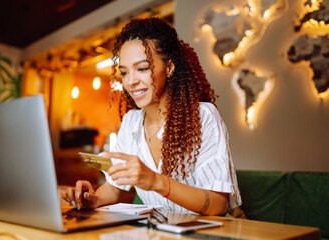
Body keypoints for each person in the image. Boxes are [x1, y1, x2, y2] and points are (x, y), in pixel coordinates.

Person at [62, 17, 241, 216]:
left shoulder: (203, 116)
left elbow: (218, 205)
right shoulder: (131, 123)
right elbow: (114, 188)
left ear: (170, 67)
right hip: (160, 232)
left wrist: (156, 181)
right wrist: (94, 199)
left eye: (142, 68)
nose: (130, 82)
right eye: (124, 72)